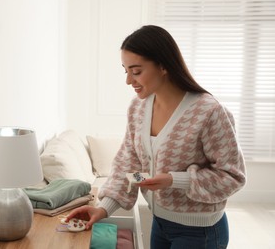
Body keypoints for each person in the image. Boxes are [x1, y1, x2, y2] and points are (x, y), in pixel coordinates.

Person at [66, 25, 246, 249]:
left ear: (162, 65)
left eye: (136, 71)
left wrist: (174, 179)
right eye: (126, 71)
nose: (129, 81)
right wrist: (103, 208)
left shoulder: (209, 112)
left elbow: (232, 177)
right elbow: (128, 163)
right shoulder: (138, 108)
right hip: (159, 224)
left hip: (200, 232)